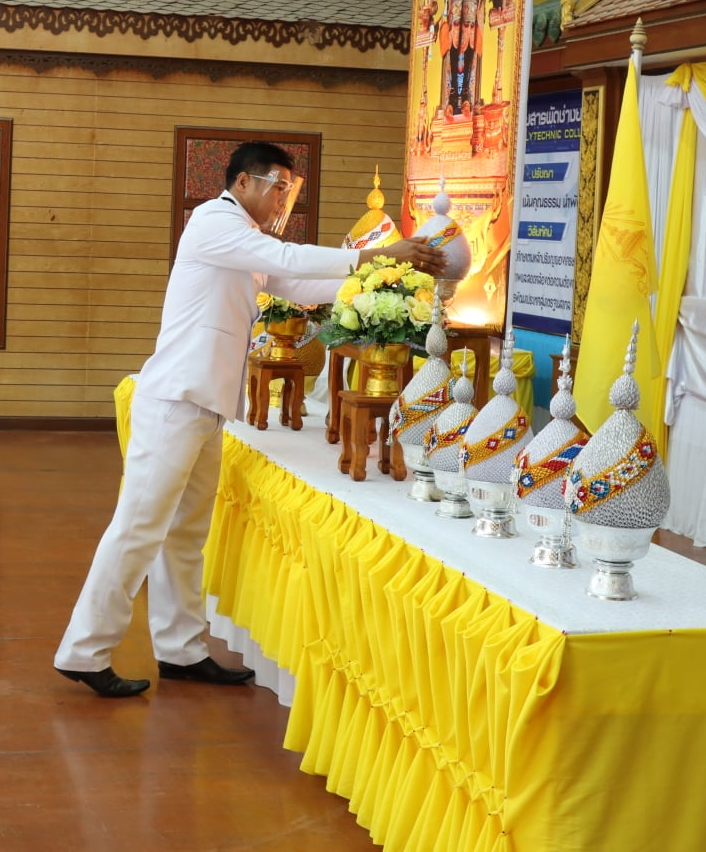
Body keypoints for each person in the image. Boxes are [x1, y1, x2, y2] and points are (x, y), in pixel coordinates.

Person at [54, 143, 448, 697]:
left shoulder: (247, 240)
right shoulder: (214, 222)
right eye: (278, 186)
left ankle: (181, 649)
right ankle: (84, 650)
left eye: (289, 188)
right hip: (175, 400)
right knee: (139, 529)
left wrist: (387, 275)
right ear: (243, 182)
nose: (284, 198)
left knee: (185, 535)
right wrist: (373, 255)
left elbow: (299, 286)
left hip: (205, 402)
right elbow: (288, 260)